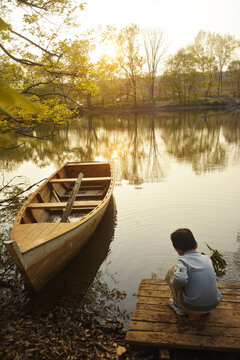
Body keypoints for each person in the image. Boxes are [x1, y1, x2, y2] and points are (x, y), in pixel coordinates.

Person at [165, 228, 222, 316]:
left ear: (178, 250)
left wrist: (174, 283)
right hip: (214, 304)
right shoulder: (206, 258)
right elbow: (215, 279)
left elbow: (180, 280)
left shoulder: (182, 260)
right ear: (196, 245)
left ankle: (178, 306)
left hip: (192, 307)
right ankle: (205, 308)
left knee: (171, 272)